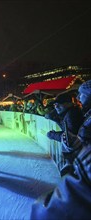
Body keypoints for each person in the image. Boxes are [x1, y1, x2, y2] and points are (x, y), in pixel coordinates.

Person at [31, 80, 91, 219]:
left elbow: (52, 211)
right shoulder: (84, 115)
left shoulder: (76, 115)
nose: (78, 99)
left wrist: (77, 154)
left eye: (82, 95)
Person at [46, 92, 84, 176]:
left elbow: (70, 136)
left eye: (60, 104)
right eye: (55, 105)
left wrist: (52, 135)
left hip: (76, 156)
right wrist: (53, 115)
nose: (56, 107)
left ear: (68, 104)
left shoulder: (71, 115)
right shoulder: (69, 113)